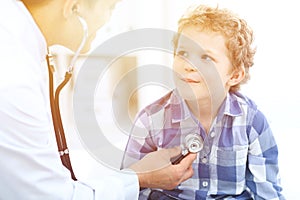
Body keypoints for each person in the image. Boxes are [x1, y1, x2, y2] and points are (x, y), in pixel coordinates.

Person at [0, 0, 197, 199]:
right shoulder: (13, 76)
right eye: (110, 7)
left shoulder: (17, 45)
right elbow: (51, 196)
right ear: (73, 6)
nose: (109, 18)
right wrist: (138, 178)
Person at [121, 4, 285, 199]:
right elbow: (129, 187)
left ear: (234, 75)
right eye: (183, 54)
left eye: (206, 57)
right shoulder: (150, 120)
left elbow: (267, 193)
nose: (189, 65)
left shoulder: (252, 122)